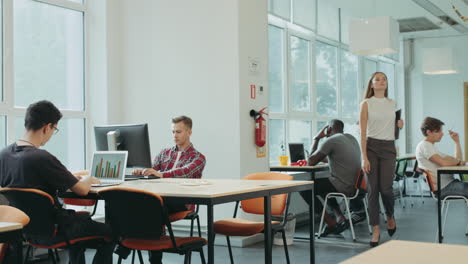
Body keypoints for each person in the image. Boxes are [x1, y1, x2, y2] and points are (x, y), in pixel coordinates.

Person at [0, 100, 115, 264]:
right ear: (47, 127)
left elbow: (31, 180)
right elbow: (82, 190)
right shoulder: (42, 157)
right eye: (54, 129)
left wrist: (72, 175)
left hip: (22, 230)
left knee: (81, 222)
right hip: (54, 231)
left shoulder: (4, 154)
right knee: (110, 232)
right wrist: (91, 176)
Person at [131, 115, 206, 264]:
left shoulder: (198, 158)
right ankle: (153, 257)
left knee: (151, 208)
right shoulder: (164, 153)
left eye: (178, 132)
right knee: (146, 205)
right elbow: (152, 170)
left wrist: (161, 174)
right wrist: (143, 171)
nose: (174, 136)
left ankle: (128, 246)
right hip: (161, 201)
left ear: (189, 132)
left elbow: (185, 172)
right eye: (173, 132)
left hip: (182, 202)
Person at [360, 72, 404, 247]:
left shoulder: (392, 104)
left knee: (386, 189)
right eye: (377, 79)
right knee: (373, 190)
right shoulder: (366, 104)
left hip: (388, 147)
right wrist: (364, 157)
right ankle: (376, 228)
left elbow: (393, 131)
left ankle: (390, 215)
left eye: (384, 79)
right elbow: (363, 132)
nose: (381, 81)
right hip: (371, 147)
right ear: (371, 84)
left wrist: (399, 126)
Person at [300, 119, 364, 236]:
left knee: (304, 187)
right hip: (356, 186)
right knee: (324, 185)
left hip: (344, 186)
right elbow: (331, 158)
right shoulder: (351, 138)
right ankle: (340, 217)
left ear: (328, 129)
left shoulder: (332, 140)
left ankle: (330, 223)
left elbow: (310, 162)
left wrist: (317, 138)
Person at [416, 117, 468, 198]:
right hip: (444, 188)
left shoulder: (431, 147)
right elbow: (444, 163)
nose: (442, 134)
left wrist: (456, 142)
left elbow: (457, 160)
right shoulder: (425, 146)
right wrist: (458, 162)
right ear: (429, 132)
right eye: (438, 131)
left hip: (450, 184)